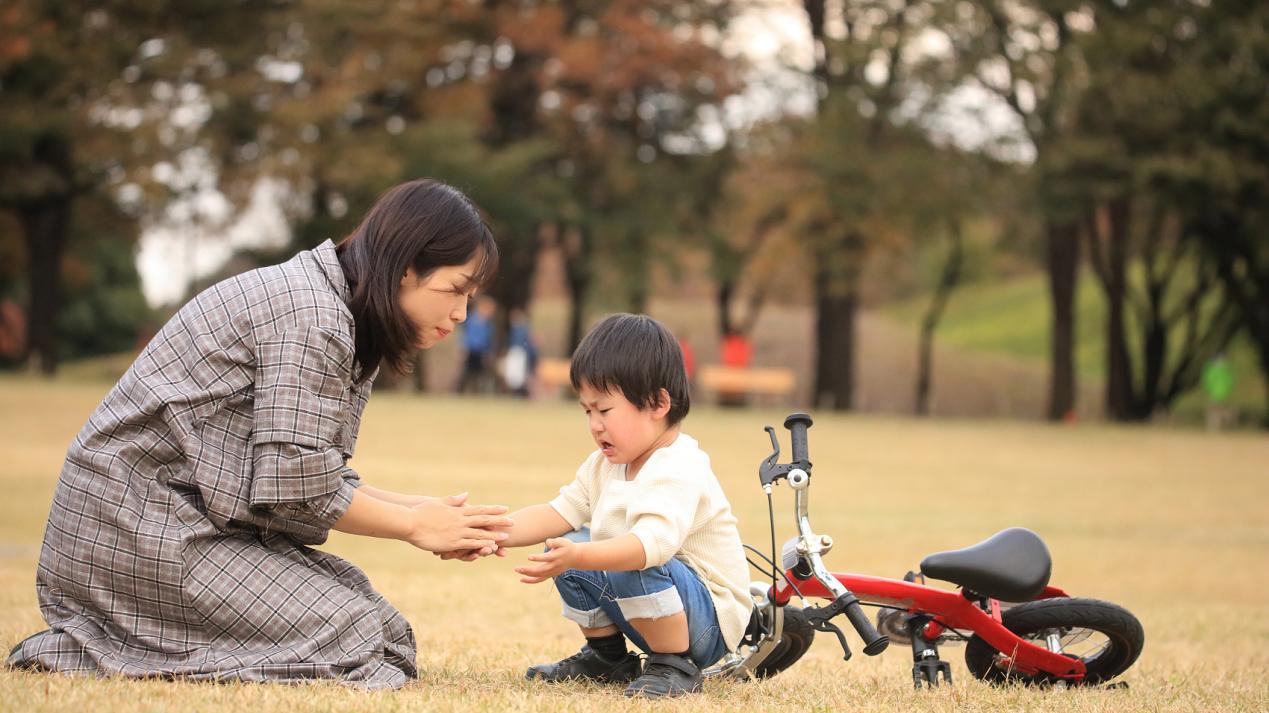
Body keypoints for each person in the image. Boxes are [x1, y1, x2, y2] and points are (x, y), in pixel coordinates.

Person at [7, 179, 514, 688]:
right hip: (136, 529)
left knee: (387, 635)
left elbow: (312, 472)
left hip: (184, 522)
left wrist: (425, 511)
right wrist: (414, 525)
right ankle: (85, 647)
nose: (460, 313)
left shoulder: (337, 310)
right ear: (405, 268)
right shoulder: (312, 317)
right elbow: (296, 486)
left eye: (469, 297)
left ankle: (113, 641)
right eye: (455, 290)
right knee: (354, 634)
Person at [496, 314, 752, 699]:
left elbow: (651, 547)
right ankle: (608, 657)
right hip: (658, 600)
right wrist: (491, 532)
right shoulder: (604, 465)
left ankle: (674, 664)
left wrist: (579, 556)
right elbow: (557, 513)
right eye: (587, 411)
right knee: (563, 543)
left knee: (620, 557)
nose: (594, 425)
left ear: (658, 403)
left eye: (604, 410)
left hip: (707, 624)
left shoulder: (678, 464)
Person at [455, 296, 496, 394]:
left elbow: (489, 340)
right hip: (471, 350)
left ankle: (478, 392)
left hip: (481, 352)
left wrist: (489, 352)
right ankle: (459, 391)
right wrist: (463, 346)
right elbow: (465, 334)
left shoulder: (488, 324)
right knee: (466, 372)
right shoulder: (470, 319)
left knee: (480, 374)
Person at [502, 308, 539, 398]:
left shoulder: (523, 329)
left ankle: (518, 393)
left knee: (518, 374)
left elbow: (526, 343)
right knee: (513, 374)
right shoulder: (516, 329)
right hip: (516, 352)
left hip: (519, 353)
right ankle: (514, 392)